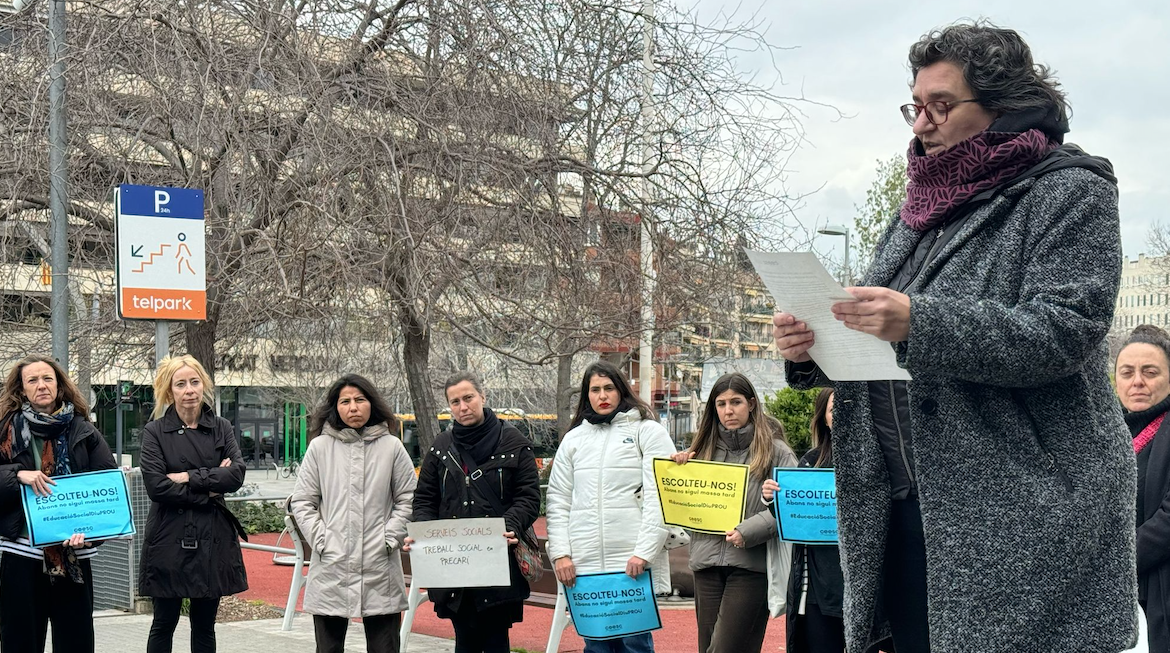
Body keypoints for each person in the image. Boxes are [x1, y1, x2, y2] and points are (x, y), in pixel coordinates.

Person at [771, 20, 1136, 653]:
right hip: (901, 507)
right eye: (914, 106)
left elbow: (1063, 331)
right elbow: (879, 333)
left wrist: (920, 321)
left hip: (1017, 520)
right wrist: (815, 347)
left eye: (940, 105)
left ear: (1004, 107)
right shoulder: (918, 207)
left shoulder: (1070, 191)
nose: (920, 123)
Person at [546, 361, 676, 653]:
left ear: (621, 390)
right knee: (596, 648)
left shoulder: (648, 431)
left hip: (631, 565)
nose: (602, 395)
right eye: (595, 389)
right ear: (586, 395)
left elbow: (661, 498)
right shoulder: (573, 439)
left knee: (635, 647)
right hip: (586, 566)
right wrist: (562, 554)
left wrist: (644, 552)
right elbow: (558, 501)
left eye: (608, 388)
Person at [409, 372, 540, 653]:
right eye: (454, 402)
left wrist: (510, 524)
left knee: (495, 640)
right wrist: (423, 532)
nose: (463, 407)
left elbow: (529, 497)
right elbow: (424, 500)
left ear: (483, 396)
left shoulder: (514, 443)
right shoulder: (440, 448)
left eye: (468, 398)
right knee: (464, 640)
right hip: (454, 566)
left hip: (499, 561)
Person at [668, 372, 796, 653]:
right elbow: (686, 514)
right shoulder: (700, 454)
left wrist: (747, 532)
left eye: (735, 402)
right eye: (721, 404)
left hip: (751, 567)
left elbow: (791, 506)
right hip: (706, 565)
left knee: (726, 649)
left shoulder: (777, 452)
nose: (729, 410)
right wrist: (679, 474)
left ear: (751, 404)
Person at [289, 374, 416, 653]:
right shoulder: (320, 447)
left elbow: (409, 499)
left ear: (372, 403)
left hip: (379, 564)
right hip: (332, 563)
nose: (353, 407)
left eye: (360, 400)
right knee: (329, 648)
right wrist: (322, 540)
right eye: (345, 401)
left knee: (385, 647)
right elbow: (302, 501)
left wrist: (389, 537)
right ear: (336, 407)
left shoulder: (392, 447)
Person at [0, 355, 116, 652]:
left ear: (59, 385)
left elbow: (107, 488)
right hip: (21, 555)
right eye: (33, 380)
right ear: (21, 389)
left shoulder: (84, 430)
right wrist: (18, 474)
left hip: (72, 556)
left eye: (47, 379)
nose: (41, 385)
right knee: (19, 641)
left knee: (75, 642)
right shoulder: (5, 431)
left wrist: (90, 534)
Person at [139, 354, 248, 653]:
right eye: (180, 384)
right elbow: (157, 486)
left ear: (204, 385)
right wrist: (212, 485)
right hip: (169, 537)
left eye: (195, 382)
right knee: (164, 623)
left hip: (212, 535)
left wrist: (188, 476)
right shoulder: (154, 432)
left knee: (204, 625)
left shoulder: (222, 427)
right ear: (169, 391)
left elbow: (236, 475)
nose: (189, 390)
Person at [762, 388, 848, 653]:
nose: (842, 415)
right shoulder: (810, 461)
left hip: (857, 584)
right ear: (823, 418)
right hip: (813, 587)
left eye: (847, 408)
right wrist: (772, 498)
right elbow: (792, 519)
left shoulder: (877, 458)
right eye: (834, 410)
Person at [1117, 325, 1170, 652]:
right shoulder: (1105, 436)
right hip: (1115, 600)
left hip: (1159, 595)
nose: (1137, 381)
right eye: (1127, 372)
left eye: (1150, 372)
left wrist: (1114, 559)